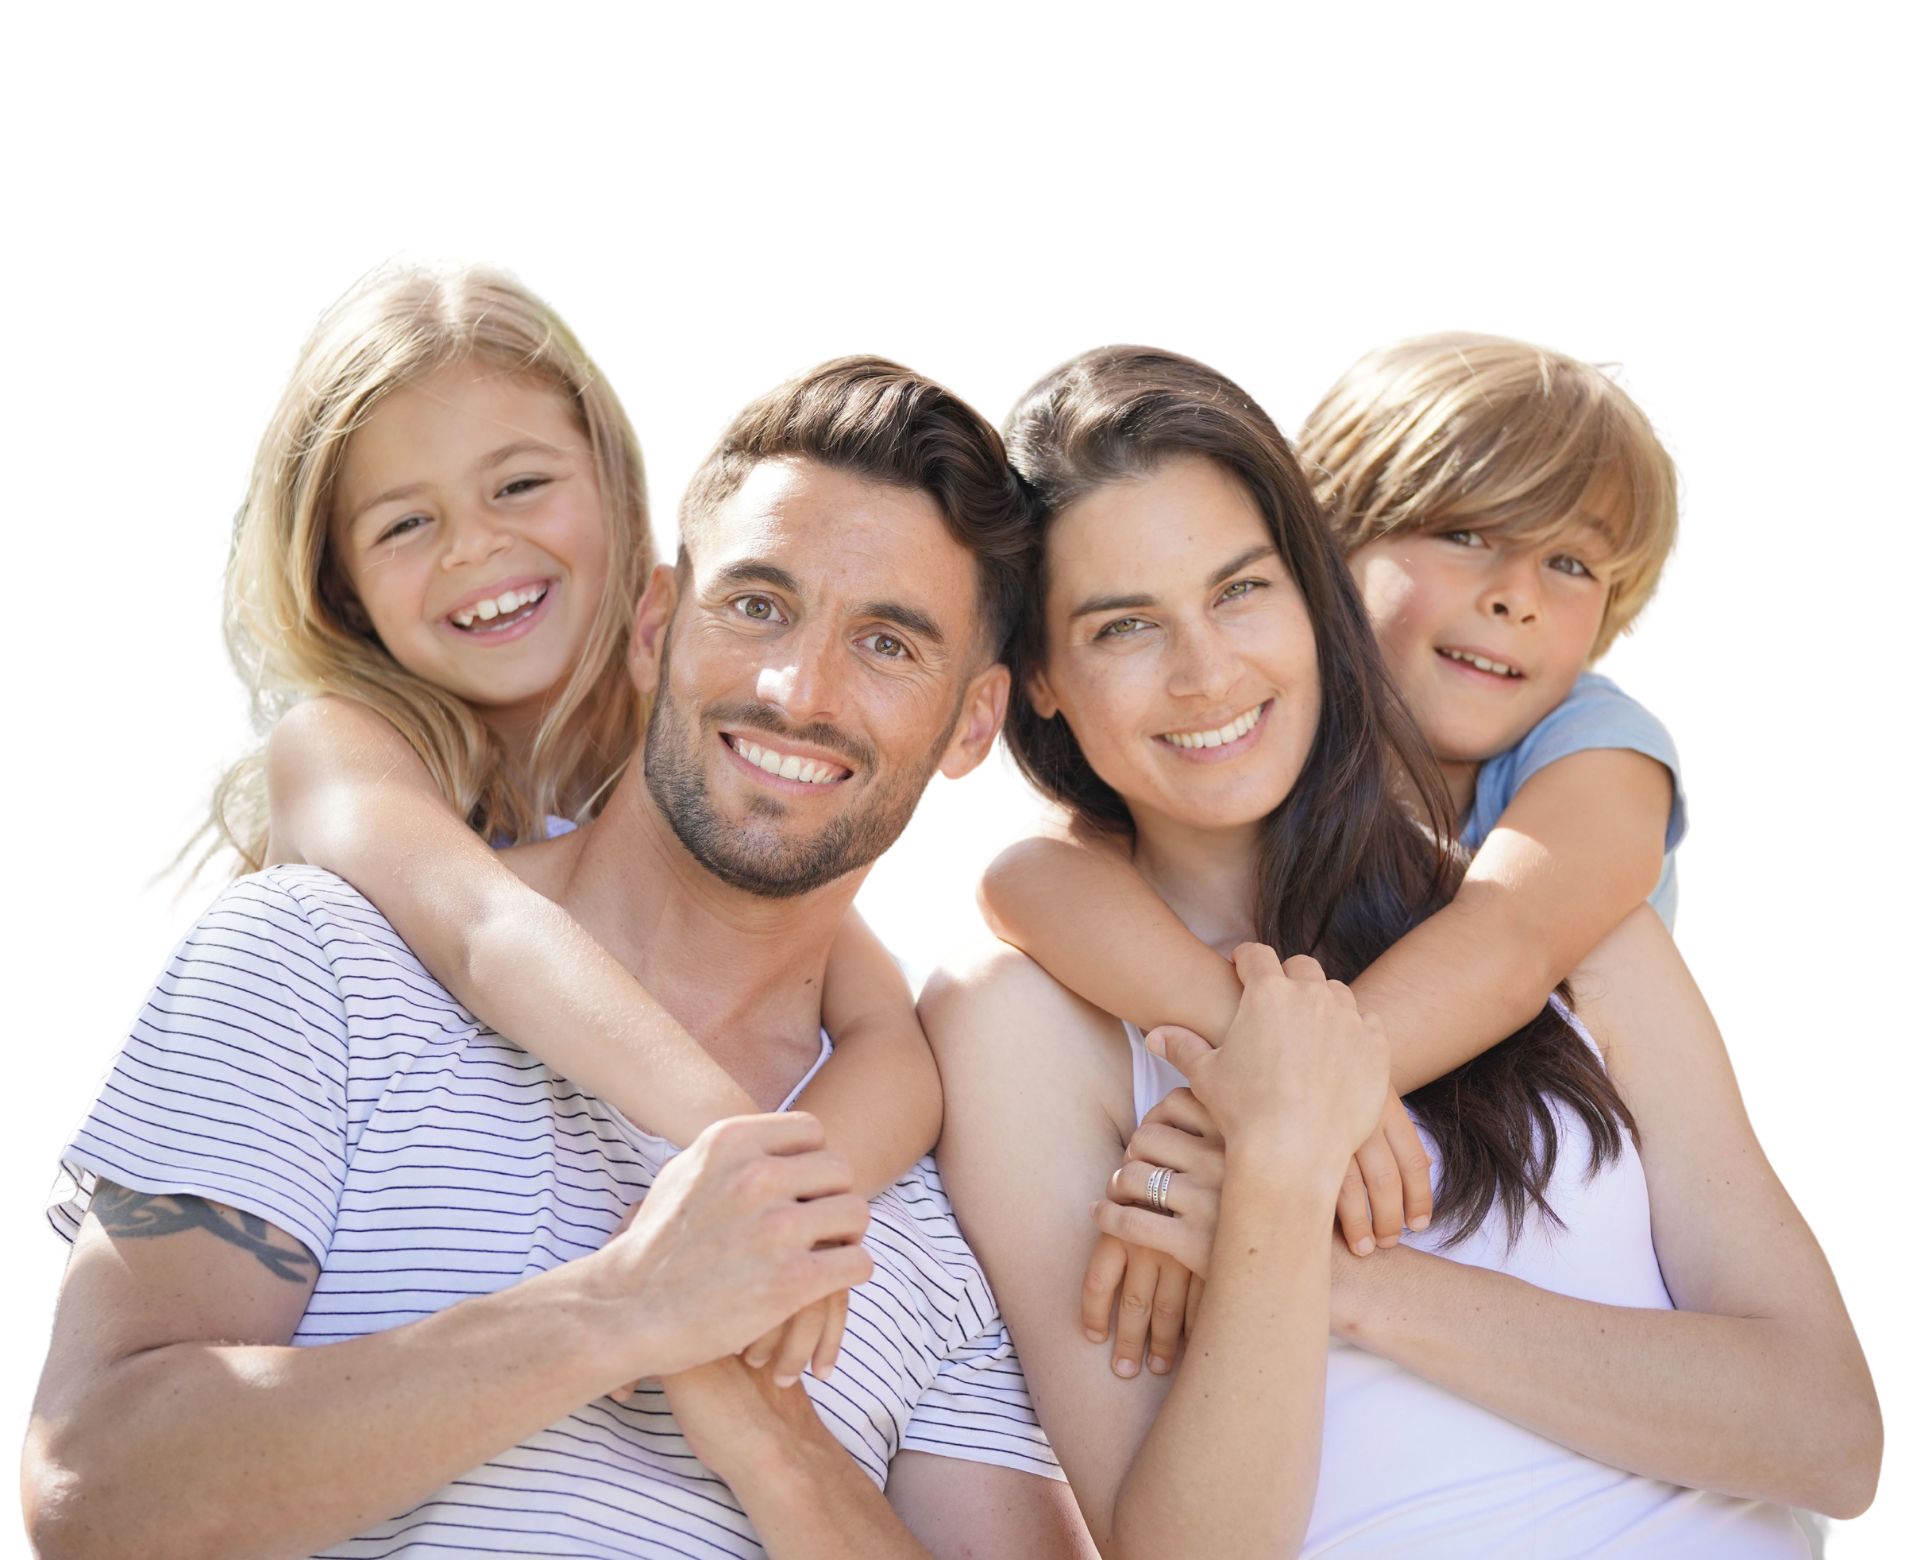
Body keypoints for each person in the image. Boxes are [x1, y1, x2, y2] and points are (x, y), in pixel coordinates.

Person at [24, 356, 1091, 1558]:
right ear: (653, 625)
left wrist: (773, 1438)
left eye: (889, 644)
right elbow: (93, 1494)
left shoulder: (965, 1137)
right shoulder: (319, 952)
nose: (799, 689)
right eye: (756, 605)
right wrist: (615, 1312)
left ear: (975, 724)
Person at [921, 344, 1879, 1555]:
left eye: (1241, 590)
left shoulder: (1572, 921)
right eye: (1124, 627)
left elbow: (1833, 1440)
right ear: (1039, 679)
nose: (1208, 671)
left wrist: (1323, 1250)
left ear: (1310, 593)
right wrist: (1279, 1156)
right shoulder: (1018, 1013)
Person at [139, 247, 941, 1379]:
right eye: (402, 525)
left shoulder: (688, 726)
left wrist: (787, 1219)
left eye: (519, 485)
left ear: (617, 488)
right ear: (340, 587)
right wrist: (728, 1149)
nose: (476, 547)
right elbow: (484, 933)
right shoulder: (343, 749)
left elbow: (891, 1040)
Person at [974, 330, 1691, 1300]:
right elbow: (1029, 874)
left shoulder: (1599, 745)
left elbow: (1511, 937)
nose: (1515, 597)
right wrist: (1267, 1072)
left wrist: (1281, 1105)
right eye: (1468, 534)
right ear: (1332, 539)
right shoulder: (1268, 736)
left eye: (1571, 562)